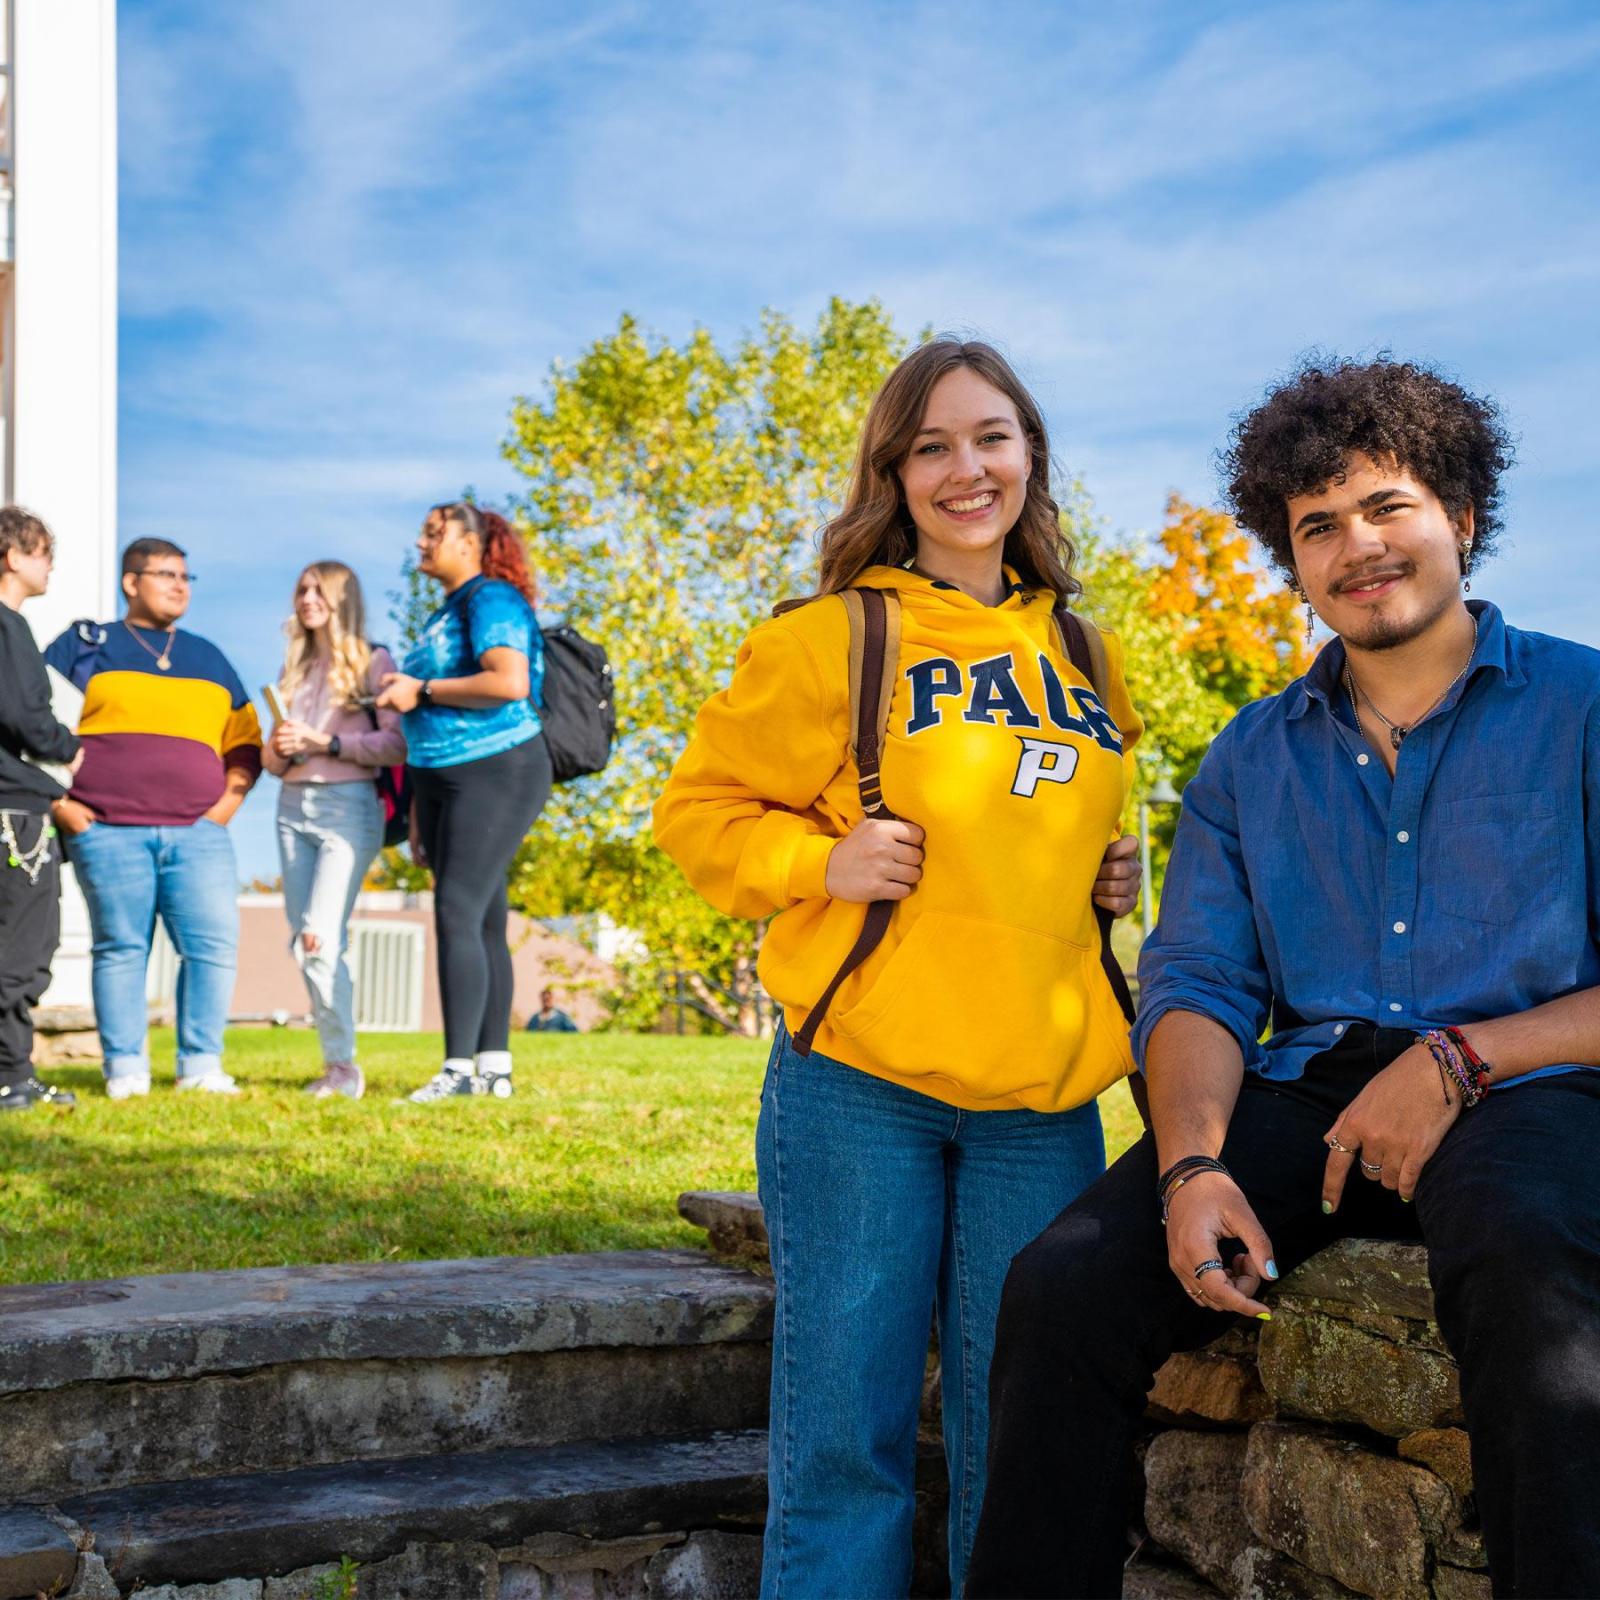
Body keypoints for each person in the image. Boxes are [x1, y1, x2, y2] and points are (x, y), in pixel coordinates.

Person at [966, 358, 1600, 1600]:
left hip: (1534, 1079)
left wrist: (1461, 1059)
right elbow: (1195, 979)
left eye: (1386, 508)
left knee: (1532, 1265)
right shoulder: (1251, 754)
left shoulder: (1584, 704)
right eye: (1317, 527)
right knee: (1062, 1286)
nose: (1355, 548)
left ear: (1461, 517)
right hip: (1306, 1088)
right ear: (1290, 558)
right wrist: (1192, 1164)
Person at [654, 338, 1144, 1599]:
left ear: (1030, 456)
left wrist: (1107, 872)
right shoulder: (831, 637)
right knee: (845, 1438)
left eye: (990, 437)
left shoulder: (1088, 655)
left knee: (1018, 1439)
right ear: (894, 471)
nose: (965, 468)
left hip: (1041, 1101)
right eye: (930, 445)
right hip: (860, 1083)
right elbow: (699, 813)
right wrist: (825, 862)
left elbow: (1069, 819)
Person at [44, 537, 262, 1098]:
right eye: (165, 573)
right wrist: (62, 807)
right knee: (120, 948)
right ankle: (126, 1070)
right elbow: (29, 723)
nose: (179, 584)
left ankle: (201, 1067)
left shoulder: (209, 657)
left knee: (211, 949)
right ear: (130, 582)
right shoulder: (86, 646)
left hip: (199, 833)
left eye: (186, 576)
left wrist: (224, 810)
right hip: (106, 830)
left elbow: (246, 743)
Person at [377, 502, 549, 1102]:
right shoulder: (445, 611)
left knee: (456, 910)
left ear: (471, 544)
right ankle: (493, 1068)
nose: (421, 541)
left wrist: (417, 687)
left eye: (434, 531)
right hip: (443, 778)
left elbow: (509, 682)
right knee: (482, 917)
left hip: (496, 766)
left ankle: (457, 1070)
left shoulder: (492, 600)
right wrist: (421, 812)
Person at [262, 562, 405, 1100]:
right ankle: (333, 1063)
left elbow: (396, 746)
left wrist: (327, 744)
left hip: (348, 807)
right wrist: (280, 747)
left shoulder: (374, 661)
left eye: (319, 590)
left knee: (320, 938)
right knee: (304, 942)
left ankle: (344, 1067)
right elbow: (272, 761)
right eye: (301, 589)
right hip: (290, 805)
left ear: (342, 599)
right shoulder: (293, 670)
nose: (306, 598)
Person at [0, 507, 82, 1112]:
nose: (50, 564)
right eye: (44, 552)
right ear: (13, 556)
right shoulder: (7, 628)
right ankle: (11, 1078)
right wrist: (68, 748)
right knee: (23, 951)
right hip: (16, 815)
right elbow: (25, 717)